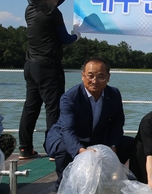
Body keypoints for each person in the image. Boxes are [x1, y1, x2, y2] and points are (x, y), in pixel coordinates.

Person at [44, 58, 134, 186]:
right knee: (65, 149)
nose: (95, 81)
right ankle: (64, 185)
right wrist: (82, 152)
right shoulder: (70, 97)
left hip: (95, 137)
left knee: (130, 144)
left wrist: (113, 146)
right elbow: (67, 130)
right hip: (65, 136)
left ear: (108, 77)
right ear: (82, 76)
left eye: (101, 77)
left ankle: (110, 180)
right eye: (90, 76)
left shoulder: (114, 94)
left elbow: (117, 123)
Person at [19, 0, 81, 160]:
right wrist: (76, 36)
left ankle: (25, 148)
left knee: (31, 107)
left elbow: (51, 5)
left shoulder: (30, 9)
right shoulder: (54, 14)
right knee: (54, 108)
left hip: (30, 66)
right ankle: (54, 149)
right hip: (48, 67)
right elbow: (65, 39)